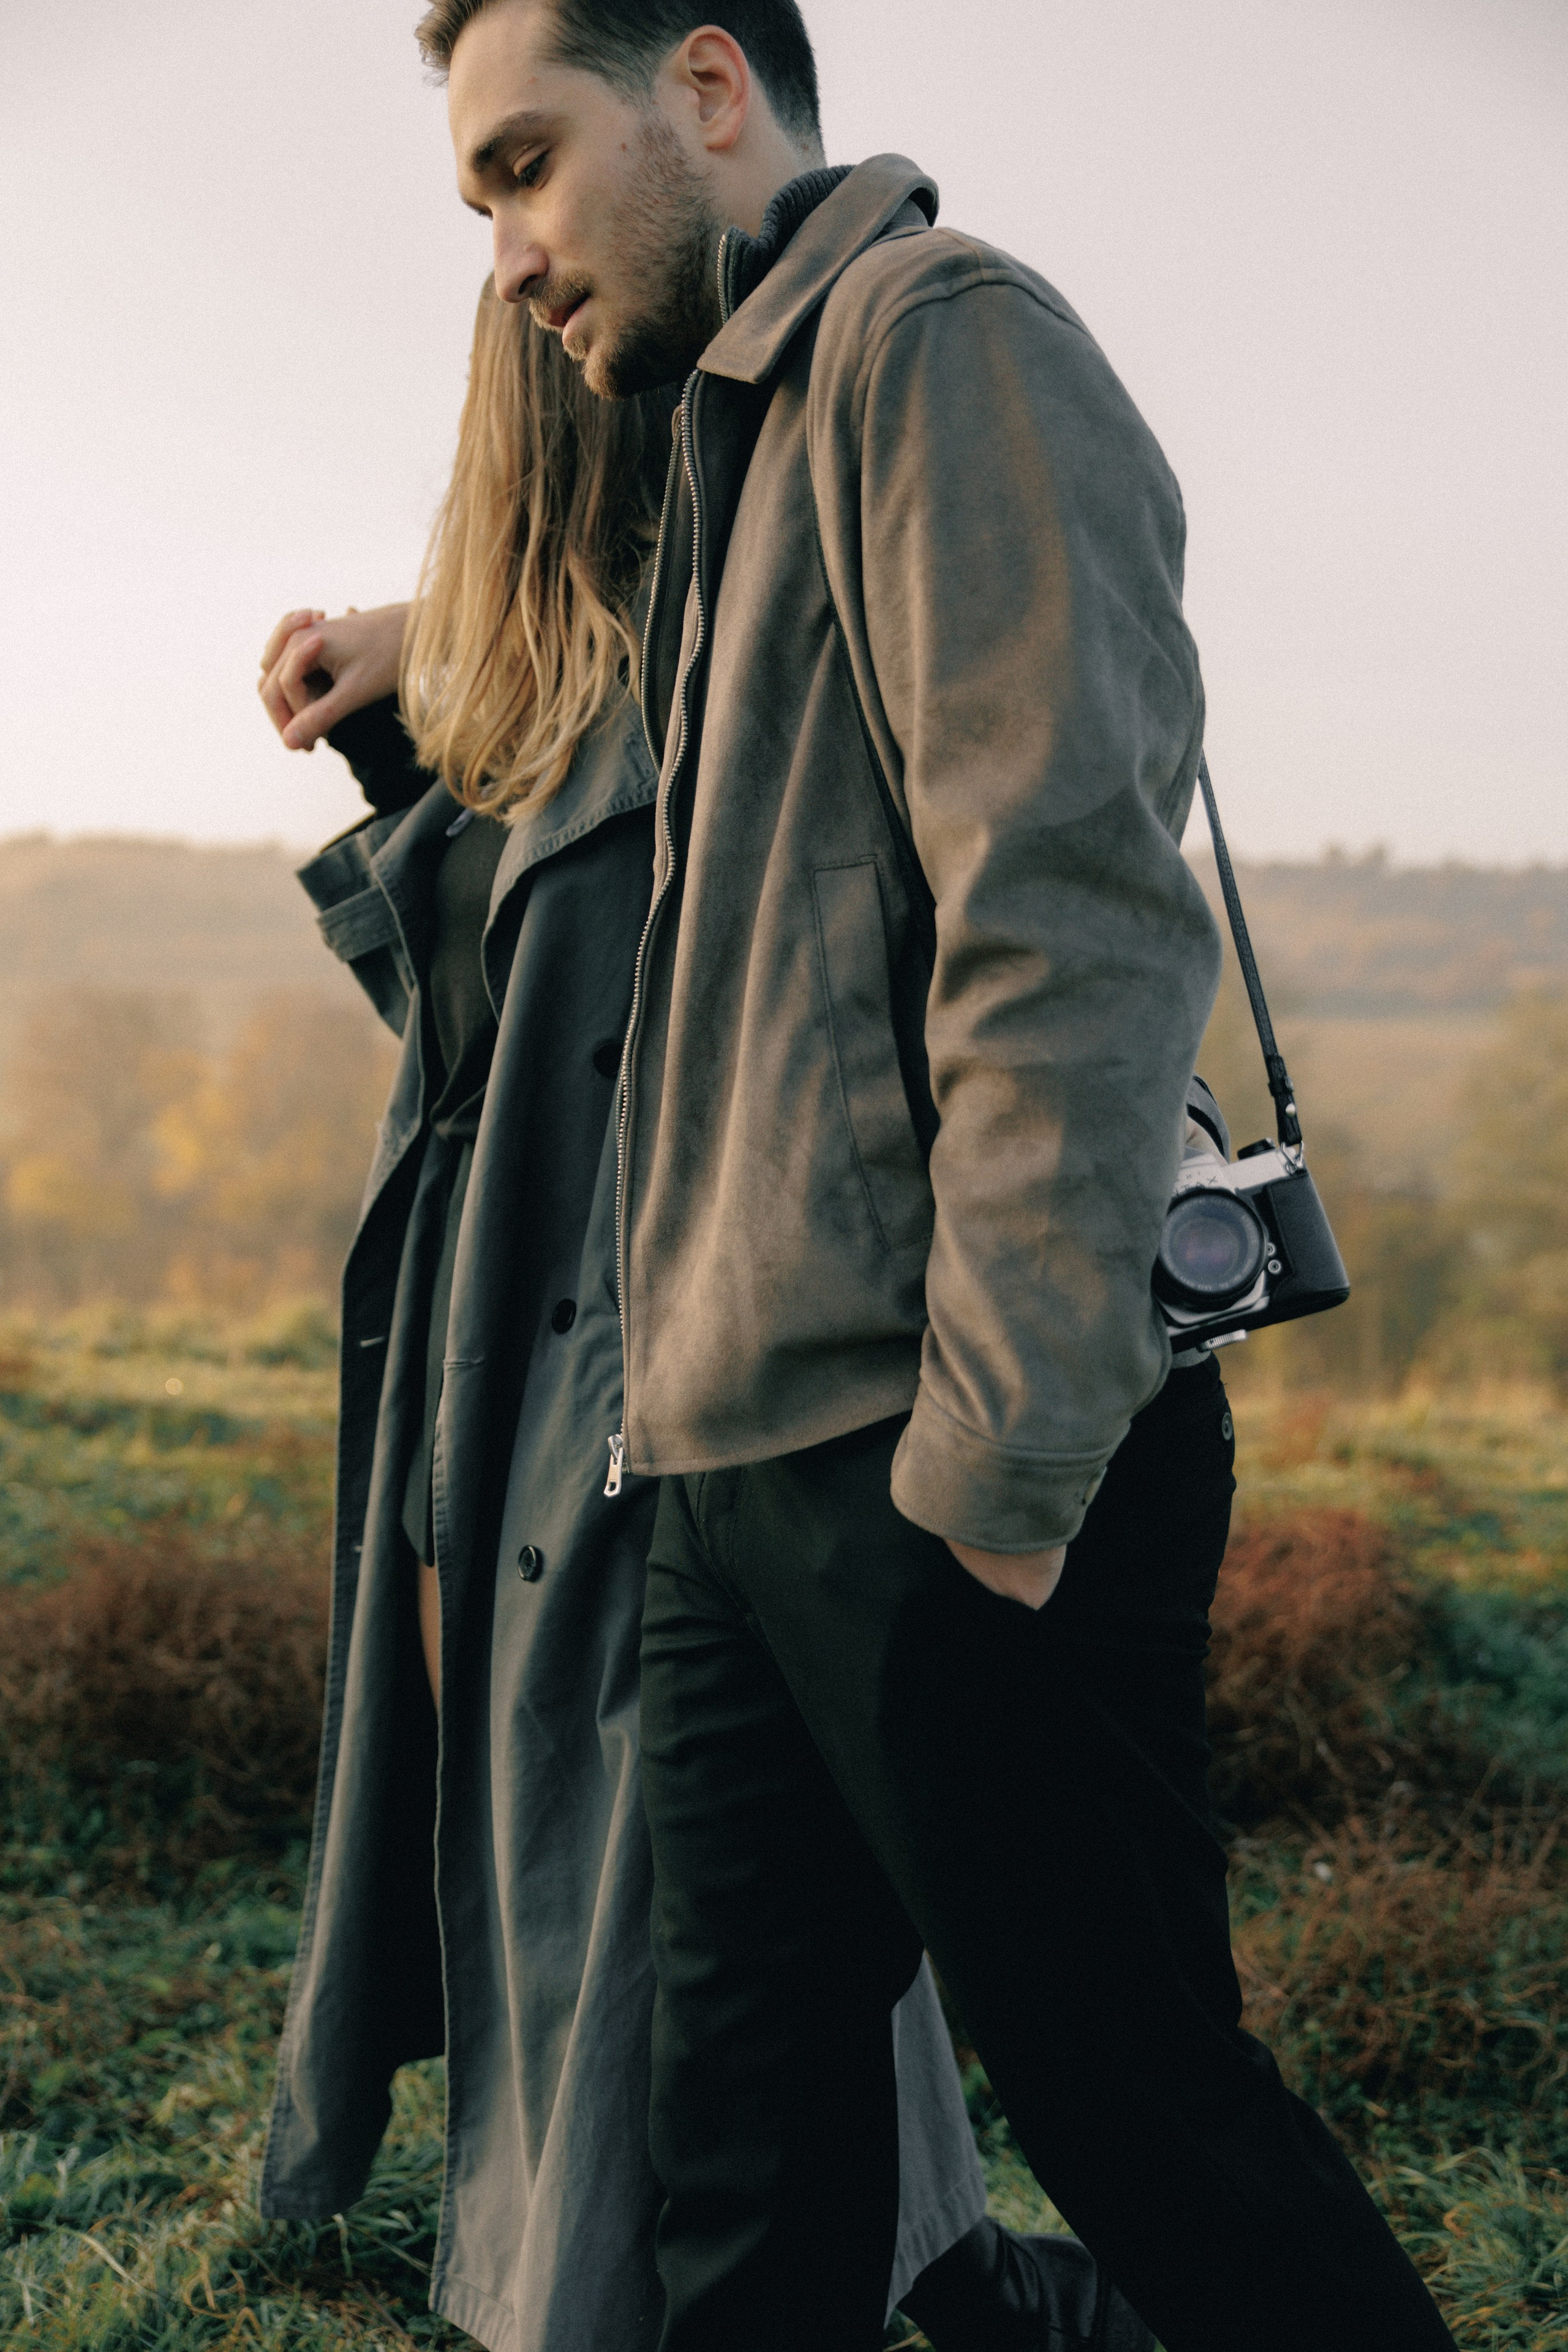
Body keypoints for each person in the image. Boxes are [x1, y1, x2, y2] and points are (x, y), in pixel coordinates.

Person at [413, 6, 1463, 2351]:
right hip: (724, 1458)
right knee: (737, 2175)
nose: (506, 255)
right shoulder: (726, 441)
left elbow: (1070, 920)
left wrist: (990, 1483)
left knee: (1141, 2116)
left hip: (944, 1462)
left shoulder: (945, 344)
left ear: (703, 89)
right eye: (478, 199)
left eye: (525, 166)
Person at [255, 281, 1152, 2352]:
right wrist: (416, 699)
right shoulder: (553, 704)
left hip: (668, 1386)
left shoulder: (708, 684)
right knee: (624, 1920)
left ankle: (944, 2291)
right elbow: (477, 1030)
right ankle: (969, 2291)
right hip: (506, 1388)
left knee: (672, 1931)